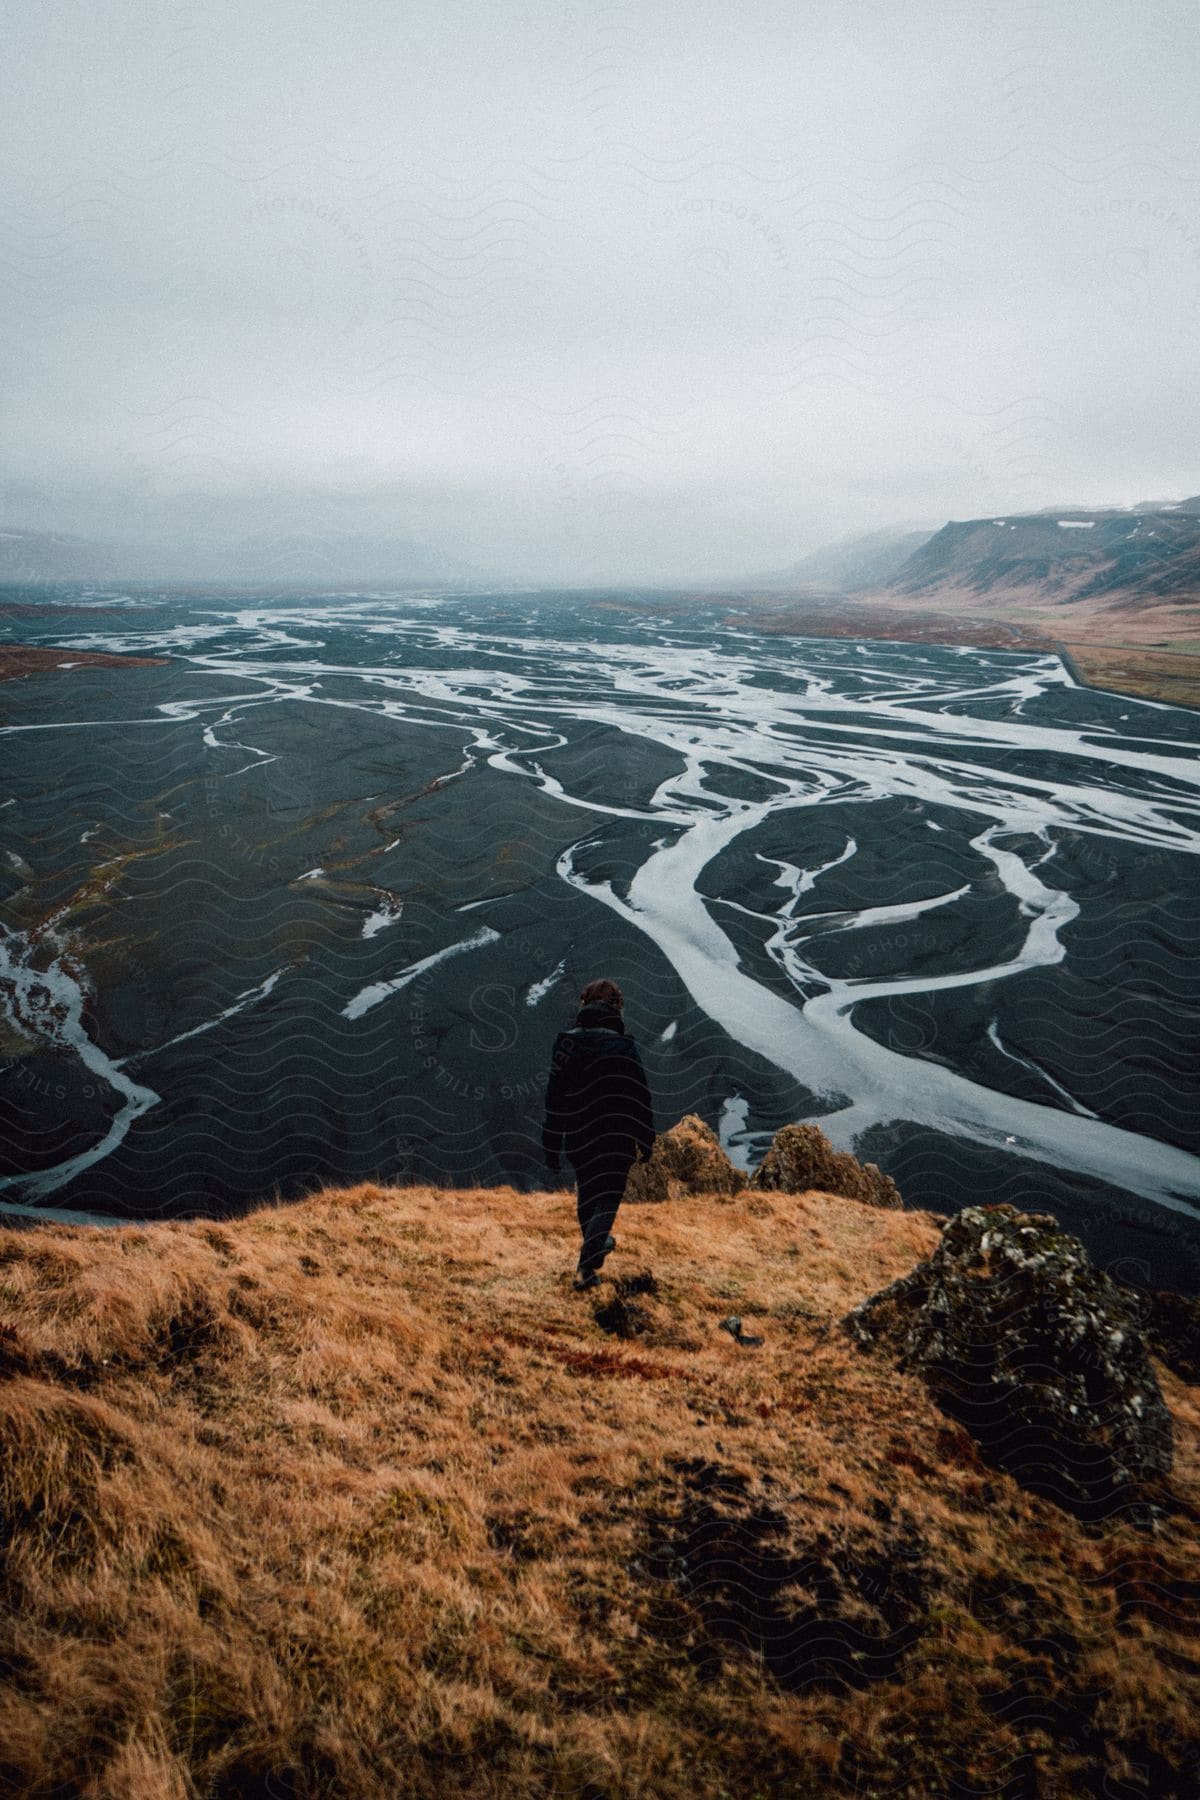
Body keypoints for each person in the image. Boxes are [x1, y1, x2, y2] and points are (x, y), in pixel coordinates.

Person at [542, 977, 656, 1290]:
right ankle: (586, 1266)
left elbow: (555, 1097)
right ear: (617, 1007)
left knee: (588, 1195)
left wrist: (551, 1143)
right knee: (609, 1196)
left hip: (579, 1134)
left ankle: (595, 1249)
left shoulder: (566, 1042)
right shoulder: (623, 1045)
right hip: (616, 1137)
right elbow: (639, 1095)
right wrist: (645, 1137)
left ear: (584, 1004)